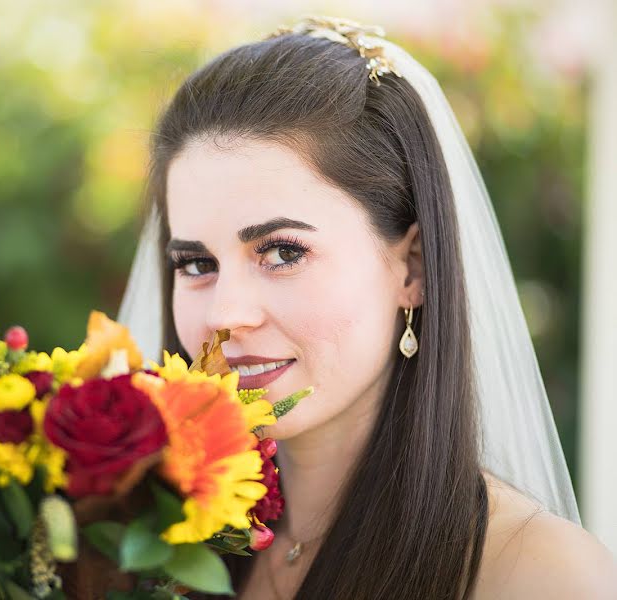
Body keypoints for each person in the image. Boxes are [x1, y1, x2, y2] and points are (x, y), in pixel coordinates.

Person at [116, 16, 617, 599]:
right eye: (197, 265)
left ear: (413, 268)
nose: (226, 314)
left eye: (281, 251)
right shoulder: (138, 533)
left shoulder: (537, 574)